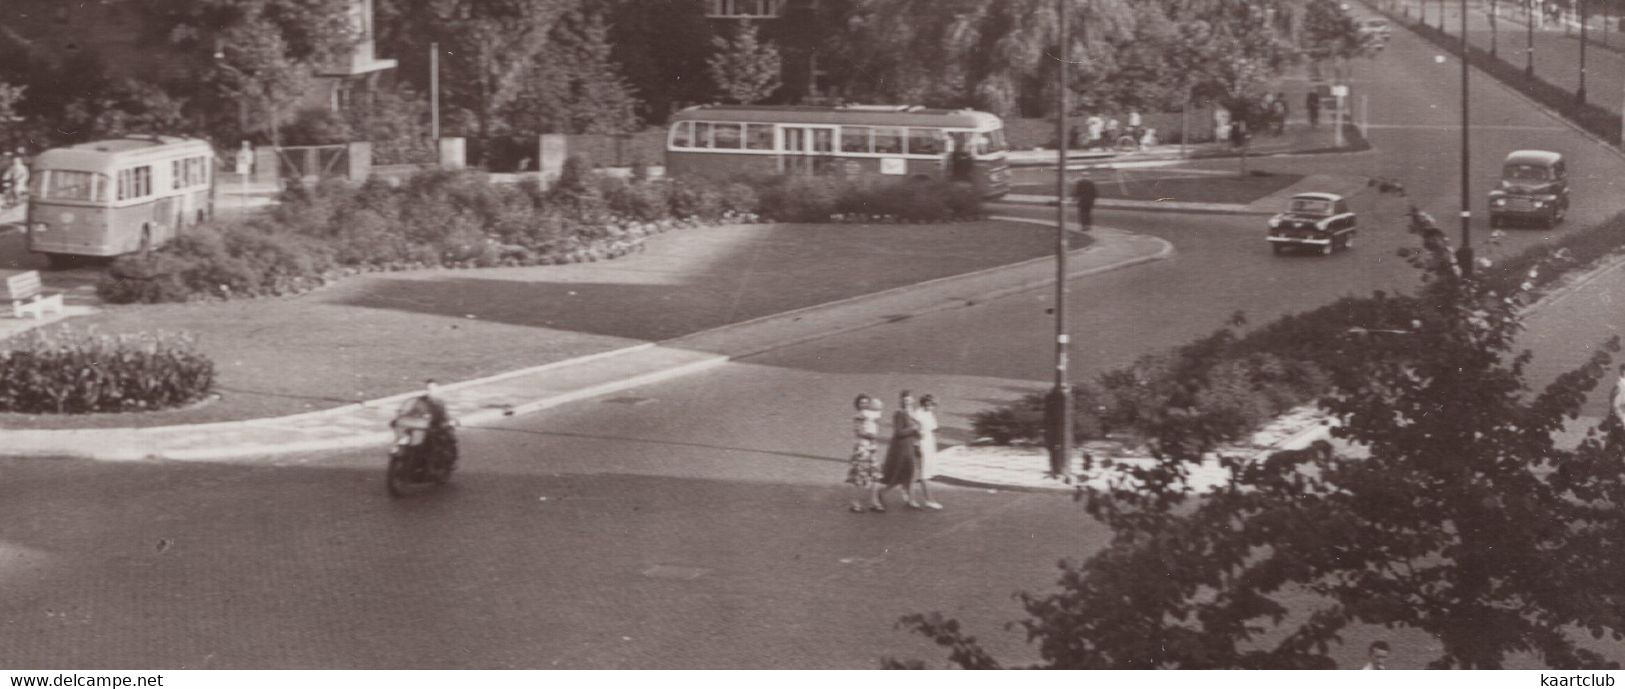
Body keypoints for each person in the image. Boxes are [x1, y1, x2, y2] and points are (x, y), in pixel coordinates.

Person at [392, 379, 458, 470]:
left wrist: (451, 421)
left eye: (433, 389)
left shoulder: (440, 403)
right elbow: (407, 411)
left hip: (436, 429)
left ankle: (444, 464)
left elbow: (445, 415)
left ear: (438, 390)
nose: (431, 391)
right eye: (428, 389)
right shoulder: (419, 401)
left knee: (447, 439)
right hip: (423, 428)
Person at [878, 390, 923, 510]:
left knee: (907, 474)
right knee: (905, 473)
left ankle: (908, 499)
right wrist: (913, 429)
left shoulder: (912, 413)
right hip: (902, 448)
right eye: (904, 400)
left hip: (911, 446)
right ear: (901, 401)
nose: (907, 402)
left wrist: (919, 433)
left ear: (912, 400)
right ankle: (884, 492)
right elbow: (898, 432)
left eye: (909, 400)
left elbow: (917, 429)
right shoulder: (899, 413)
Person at [845, 394, 885, 513]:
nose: (865, 405)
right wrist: (870, 436)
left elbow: (878, 415)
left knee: (875, 475)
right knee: (859, 476)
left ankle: (874, 501)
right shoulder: (858, 416)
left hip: (871, 447)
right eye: (862, 403)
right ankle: (855, 503)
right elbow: (858, 432)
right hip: (862, 447)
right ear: (857, 405)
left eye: (867, 402)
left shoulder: (870, 414)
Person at [911, 395, 944, 510]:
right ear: (924, 403)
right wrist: (916, 446)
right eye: (930, 404)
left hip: (929, 445)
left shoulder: (929, 413)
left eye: (933, 405)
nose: (932, 407)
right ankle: (929, 500)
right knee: (924, 474)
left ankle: (909, 496)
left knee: (925, 472)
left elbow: (933, 428)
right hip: (922, 445)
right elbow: (915, 433)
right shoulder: (917, 415)